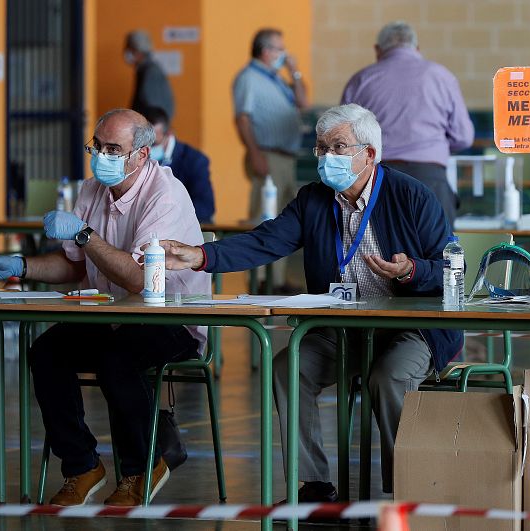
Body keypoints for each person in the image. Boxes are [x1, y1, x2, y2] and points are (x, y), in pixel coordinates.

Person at [147, 104, 462, 500]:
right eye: (321, 148)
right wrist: (201, 256)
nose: (327, 157)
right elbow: (266, 241)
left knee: (389, 376)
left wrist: (410, 270)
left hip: (412, 329)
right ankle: (314, 484)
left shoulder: (412, 195)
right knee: (287, 367)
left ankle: (406, 487)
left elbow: (452, 266)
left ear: (369, 154)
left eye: (339, 147)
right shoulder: (314, 199)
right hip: (342, 328)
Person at [0, 109, 209, 506]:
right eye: (97, 146)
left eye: (114, 149)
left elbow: (136, 278)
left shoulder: (165, 193)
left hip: (173, 317)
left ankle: (141, 469)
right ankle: (81, 465)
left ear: (141, 156)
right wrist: (21, 266)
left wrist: (84, 233)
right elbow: (73, 263)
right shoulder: (92, 189)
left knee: (117, 360)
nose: (102, 156)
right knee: (46, 353)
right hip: (112, 316)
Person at [340, 21, 474, 225]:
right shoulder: (441, 76)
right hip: (430, 177)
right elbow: (464, 137)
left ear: (377, 50)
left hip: (376, 178)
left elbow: (343, 139)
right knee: (438, 252)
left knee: (378, 250)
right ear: (417, 49)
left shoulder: (361, 79)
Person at [233, 28, 307, 292]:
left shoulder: (275, 78)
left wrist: (294, 72)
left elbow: (303, 102)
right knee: (264, 217)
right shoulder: (249, 78)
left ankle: (277, 279)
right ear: (266, 51)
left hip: (286, 157)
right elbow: (242, 118)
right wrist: (255, 154)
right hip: (267, 154)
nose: (284, 53)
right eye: (280, 48)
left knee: (286, 219)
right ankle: (261, 280)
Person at [144, 106, 216, 222]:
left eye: (153, 144)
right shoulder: (135, 157)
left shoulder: (194, 160)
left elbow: (205, 207)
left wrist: (164, 215)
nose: (147, 149)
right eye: (143, 143)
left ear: (169, 134)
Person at [124, 30, 175, 119]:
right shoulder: (146, 70)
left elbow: (153, 107)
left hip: (150, 128)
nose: (126, 53)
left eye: (130, 49)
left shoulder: (151, 72)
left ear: (138, 51)